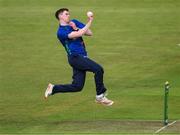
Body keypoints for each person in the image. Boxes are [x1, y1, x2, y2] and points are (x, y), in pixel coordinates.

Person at [44, 8, 114, 106]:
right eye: (66, 14)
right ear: (60, 16)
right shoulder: (61, 32)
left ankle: (54, 88)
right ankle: (100, 96)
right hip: (75, 57)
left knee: (77, 86)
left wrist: (76, 27)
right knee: (98, 69)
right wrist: (90, 21)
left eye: (68, 14)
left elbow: (89, 33)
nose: (69, 15)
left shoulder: (74, 22)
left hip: (81, 57)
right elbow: (80, 34)